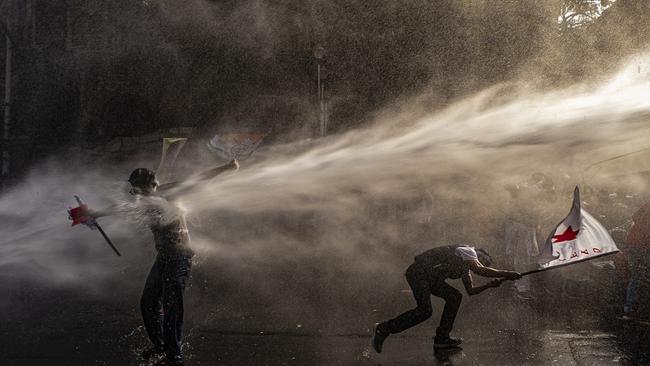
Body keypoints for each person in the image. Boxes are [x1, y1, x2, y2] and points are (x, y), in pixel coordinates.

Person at [88, 160, 238, 365]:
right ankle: (160, 346)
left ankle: (174, 356)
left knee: (171, 304)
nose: (138, 193)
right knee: (148, 301)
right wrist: (94, 214)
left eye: (141, 188)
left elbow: (199, 180)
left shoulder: (169, 193)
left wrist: (227, 167)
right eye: (135, 189)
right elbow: (120, 207)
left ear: (153, 185)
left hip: (180, 256)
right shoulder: (141, 199)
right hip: (164, 257)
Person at [372, 245, 521, 353]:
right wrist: (507, 274)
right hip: (419, 273)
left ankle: (442, 338)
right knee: (425, 311)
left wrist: (490, 285)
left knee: (455, 297)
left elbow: (471, 291)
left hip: (430, 278)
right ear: (478, 254)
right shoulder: (467, 250)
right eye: (482, 261)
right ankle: (383, 328)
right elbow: (479, 269)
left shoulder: (465, 268)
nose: (481, 264)